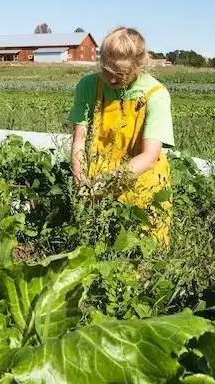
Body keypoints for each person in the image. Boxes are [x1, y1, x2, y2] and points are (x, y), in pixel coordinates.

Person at [68, 27, 174, 243]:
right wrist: (80, 181)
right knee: (94, 250)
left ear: (138, 66)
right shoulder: (89, 86)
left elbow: (149, 157)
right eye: (106, 71)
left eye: (120, 75)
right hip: (96, 182)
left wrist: (103, 182)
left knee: (146, 253)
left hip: (144, 184)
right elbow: (79, 139)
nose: (111, 80)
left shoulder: (156, 94)